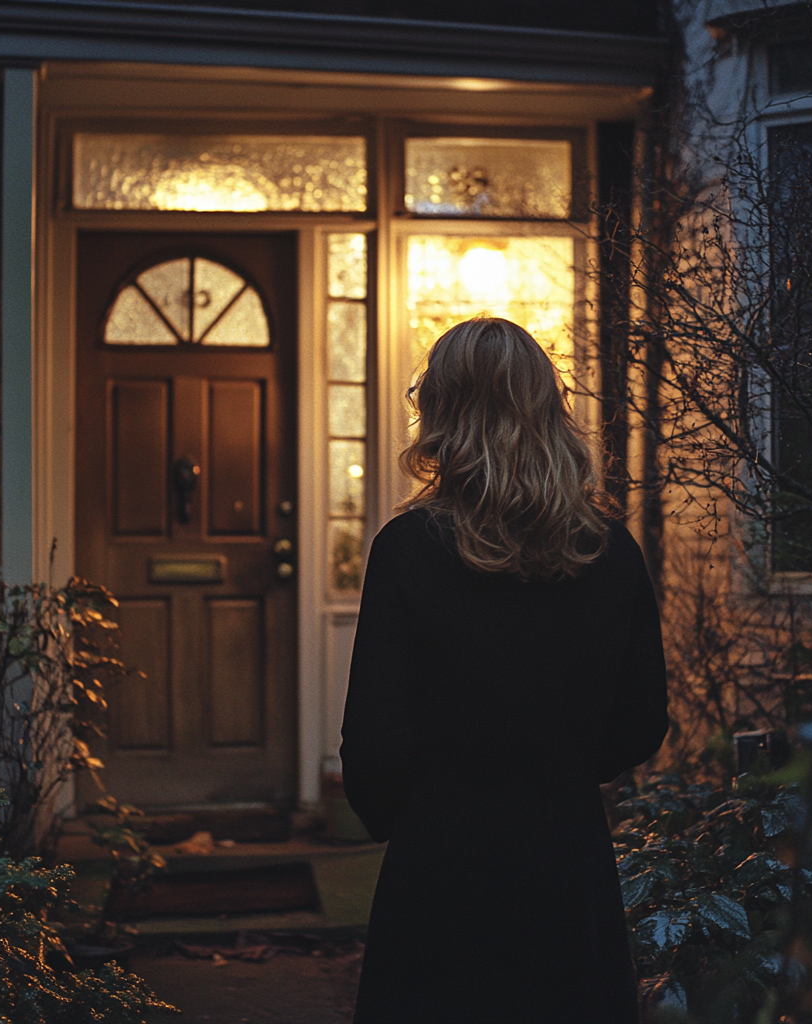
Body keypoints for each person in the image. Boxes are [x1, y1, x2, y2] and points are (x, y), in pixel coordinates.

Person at [340, 317, 668, 1024]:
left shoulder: (407, 548)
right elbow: (643, 720)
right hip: (566, 853)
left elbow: (371, 739)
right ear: (549, 409)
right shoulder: (611, 550)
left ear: (439, 413)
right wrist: (561, 772)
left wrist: (413, 813)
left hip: (442, 857)